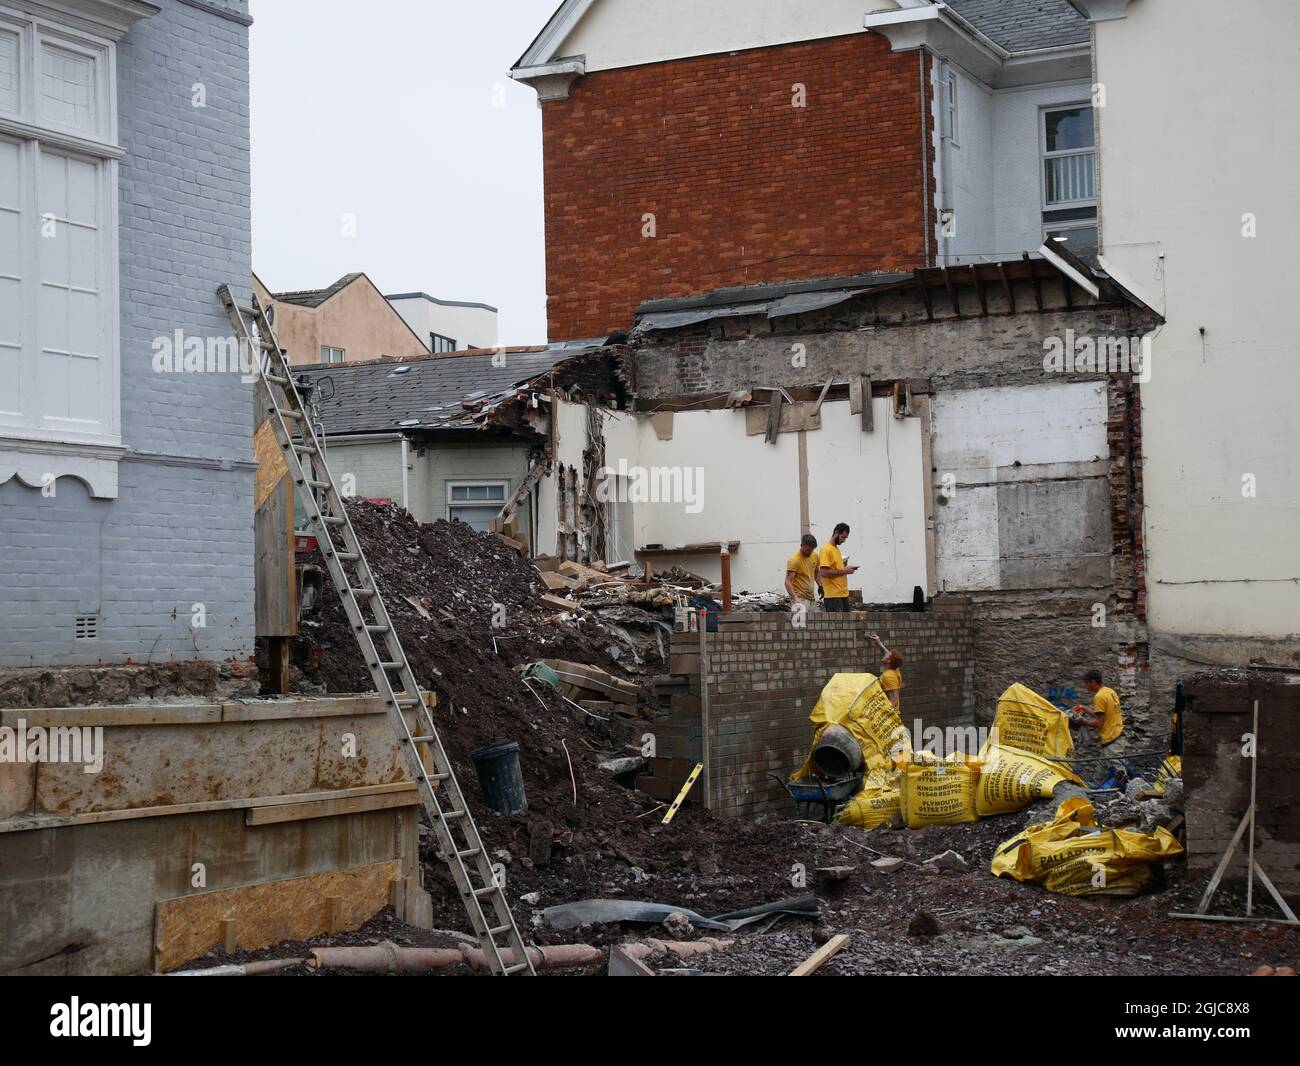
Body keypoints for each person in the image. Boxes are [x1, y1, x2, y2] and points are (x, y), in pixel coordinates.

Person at [1071, 669, 1124, 746]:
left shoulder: (1099, 697)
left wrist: (1082, 721)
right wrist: (1085, 709)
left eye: (1086, 683)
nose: (1085, 686)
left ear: (1093, 681)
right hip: (1118, 736)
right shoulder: (1110, 691)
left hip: (1111, 740)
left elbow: (1099, 724)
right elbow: (1105, 715)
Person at [818, 523, 858, 613]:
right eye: (843, 537)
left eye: (845, 538)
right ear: (836, 533)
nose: (844, 540)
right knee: (838, 625)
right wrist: (844, 571)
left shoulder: (836, 549)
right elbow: (824, 572)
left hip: (842, 594)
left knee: (846, 625)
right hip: (833, 596)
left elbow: (837, 569)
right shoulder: (826, 550)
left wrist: (846, 568)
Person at [784, 533, 821, 608]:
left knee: (813, 619)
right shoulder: (794, 560)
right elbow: (788, 582)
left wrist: (820, 585)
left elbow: (816, 572)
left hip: (811, 598)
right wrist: (795, 598)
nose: (810, 552)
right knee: (801, 620)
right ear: (801, 546)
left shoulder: (814, 555)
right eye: (808, 550)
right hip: (799, 598)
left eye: (812, 550)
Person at [869, 633, 904, 709]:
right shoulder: (895, 669)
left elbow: (894, 700)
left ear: (889, 661)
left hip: (889, 716)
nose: (885, 654)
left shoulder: (888, 676)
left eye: (887, 656)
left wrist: (886, 716)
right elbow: (887, 653)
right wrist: (879, 642)